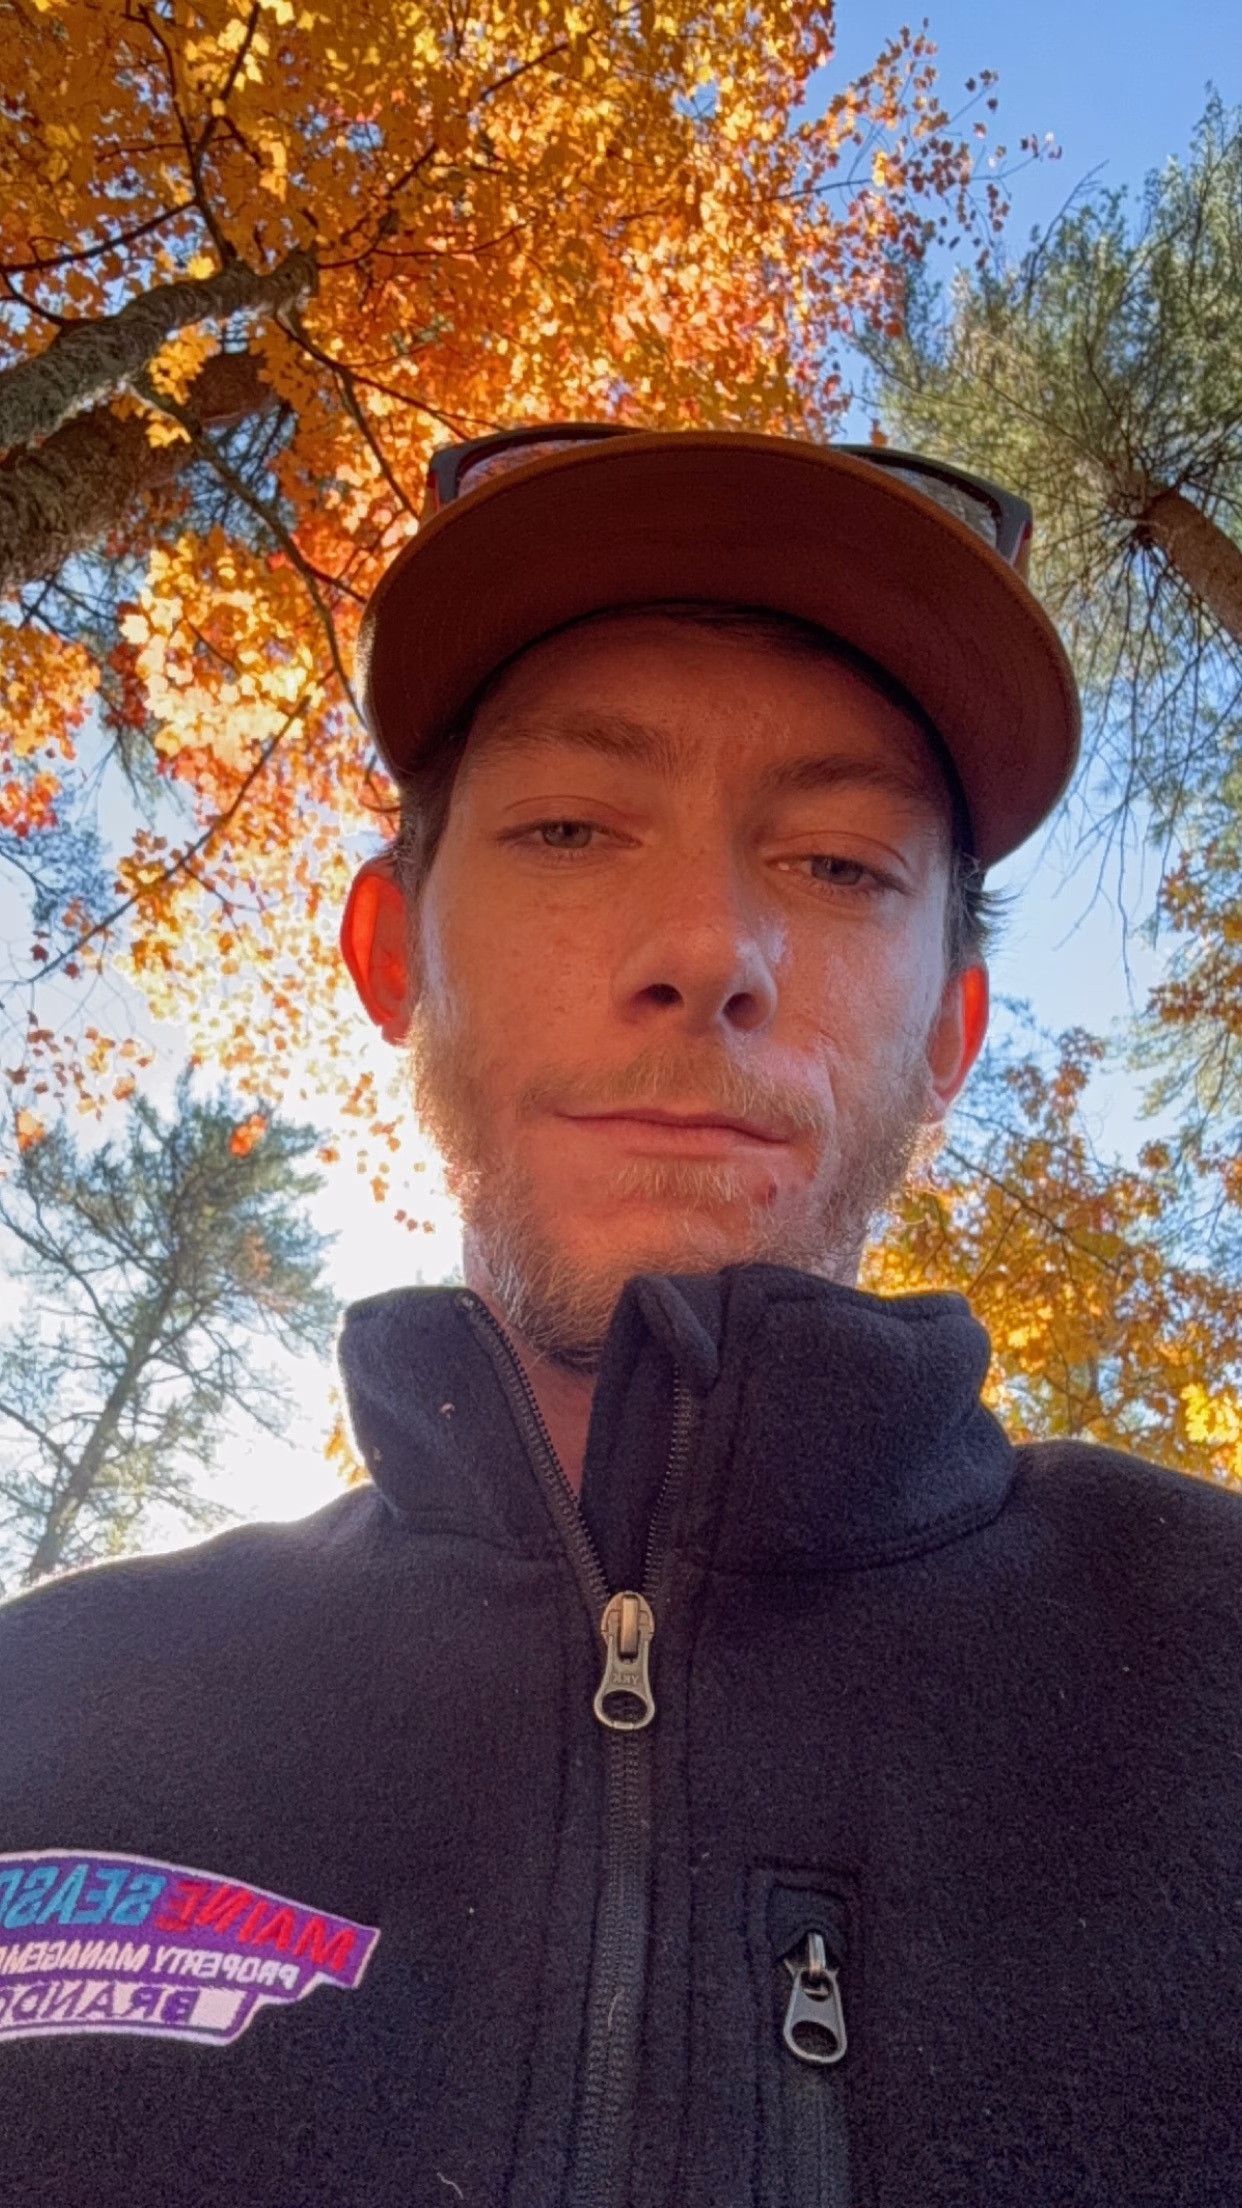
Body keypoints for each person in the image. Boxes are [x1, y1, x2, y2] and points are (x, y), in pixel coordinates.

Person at [1, 424, 1239, 2208]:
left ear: (947, 1036)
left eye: (838, 865)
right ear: (391, 955)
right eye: (570, 828)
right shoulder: (44, 1712)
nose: (707, 948)